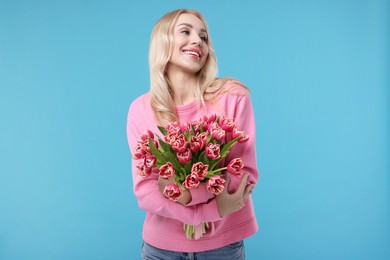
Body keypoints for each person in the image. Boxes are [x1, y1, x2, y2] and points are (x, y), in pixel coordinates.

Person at [126, 9, 259, 259]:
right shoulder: (140, 109)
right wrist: (203, 213)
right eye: (185, 31)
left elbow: (243, 174)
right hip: (160, 249)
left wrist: (186, 192)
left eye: (204, 37)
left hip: (222, 247)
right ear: (163, 41)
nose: (198, 40)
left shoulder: (232, 96)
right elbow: (146, 190)